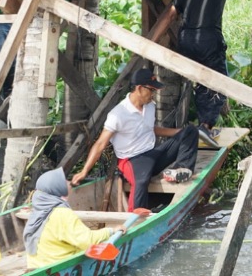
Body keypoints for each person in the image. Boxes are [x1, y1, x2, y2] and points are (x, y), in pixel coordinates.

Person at [148, 0, 252, 141]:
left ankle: (196, 125)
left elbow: (170, 15)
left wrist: (150, 43)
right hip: (208, 38)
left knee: (199, 81)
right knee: (218, 84)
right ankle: (205, 127)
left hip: (186, 39)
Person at [71, 69, 200, 212]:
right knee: (141, 181)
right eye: (151, 90)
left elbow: (150, 128)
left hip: (152, 154)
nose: (153, 94)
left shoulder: (150, 106)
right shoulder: (118, 114)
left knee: (191, 131)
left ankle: (181, 169)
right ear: (139, 88)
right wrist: (84, 172)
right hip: (132, 159)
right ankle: (135, 216)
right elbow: (100, 143)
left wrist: (180, 134)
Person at [24, 167, 114, 269]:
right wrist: (111, 231)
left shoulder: (37, 211)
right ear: (57, 188)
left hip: (36, 268)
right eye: (64, 181)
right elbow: (88, 241)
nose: (69, 182)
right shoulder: (62, 214)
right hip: (57, 268)